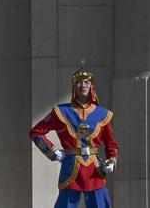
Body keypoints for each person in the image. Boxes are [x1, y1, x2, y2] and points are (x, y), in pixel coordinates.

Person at [29, 63, 119, 208]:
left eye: (86, 82)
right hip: (71, 167)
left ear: (91, 86)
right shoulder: (61, 112)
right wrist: (53, 152)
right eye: (78, 82)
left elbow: (111, 144)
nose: (82, 85)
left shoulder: (103, 114)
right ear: (73, 87)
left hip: (94, 169)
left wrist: (112, 160)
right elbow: (36, 133)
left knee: (100, 204)